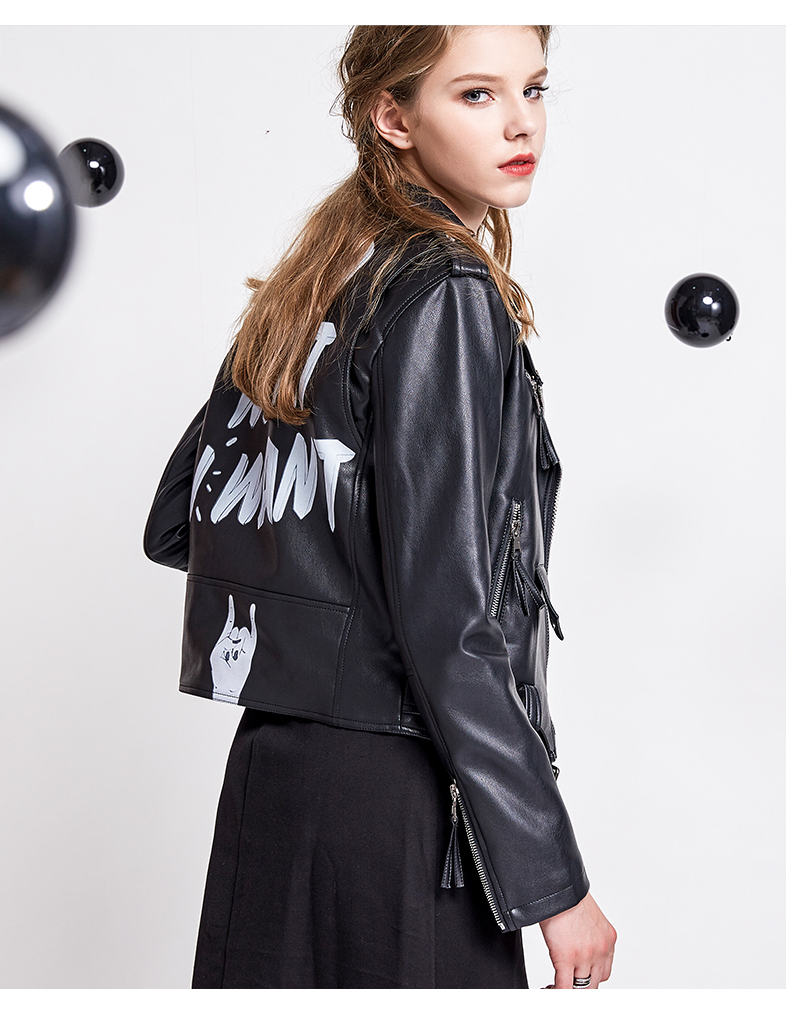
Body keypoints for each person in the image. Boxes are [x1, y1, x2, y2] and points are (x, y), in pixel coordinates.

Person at [144, 24, 617, 989]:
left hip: (274, 783)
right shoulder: (446, 289)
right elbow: (451, 624)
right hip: (398, 804)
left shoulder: (322, 277)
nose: (521, 123)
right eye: (476, 94)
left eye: (533, 89)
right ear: (391, 116)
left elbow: (183, 520)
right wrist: (550, 881)